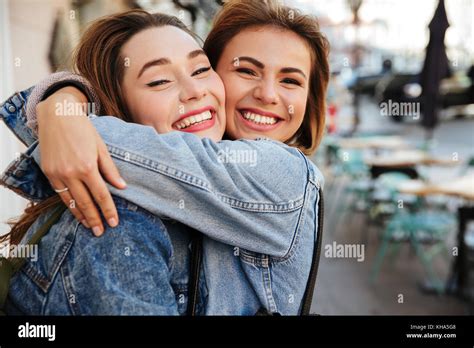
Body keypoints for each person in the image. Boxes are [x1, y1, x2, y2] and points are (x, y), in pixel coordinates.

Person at [1, 0, 329, 315]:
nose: (268, 94)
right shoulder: (119, 222)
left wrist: (60, 112)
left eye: (290, 80)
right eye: (246, 70)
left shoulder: (284, 174)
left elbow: (100, 141)